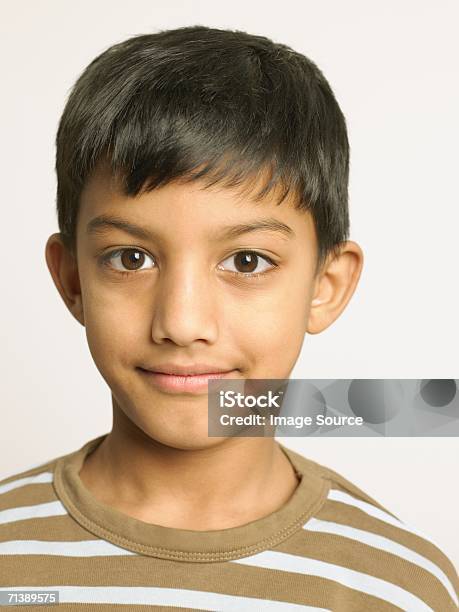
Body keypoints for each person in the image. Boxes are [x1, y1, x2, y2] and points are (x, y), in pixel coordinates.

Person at [0, 25, 457, 611]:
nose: (183, 321)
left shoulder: (398, 588)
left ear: (325, 287)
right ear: (71, 280)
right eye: (131, 258)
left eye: (246, 261)